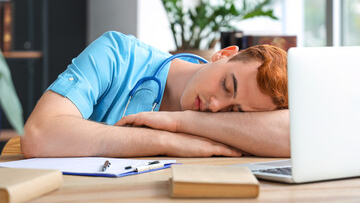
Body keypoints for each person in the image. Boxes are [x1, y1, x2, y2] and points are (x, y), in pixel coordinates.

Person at [21, 31, 289, 158]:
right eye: (227, 86)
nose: (216, 106)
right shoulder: (118, 54)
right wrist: (166, 140)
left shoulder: (222, 119)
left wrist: (182, 123)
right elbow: (39, 135)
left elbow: (294, 134)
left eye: (235, 111)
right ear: (224, 55)